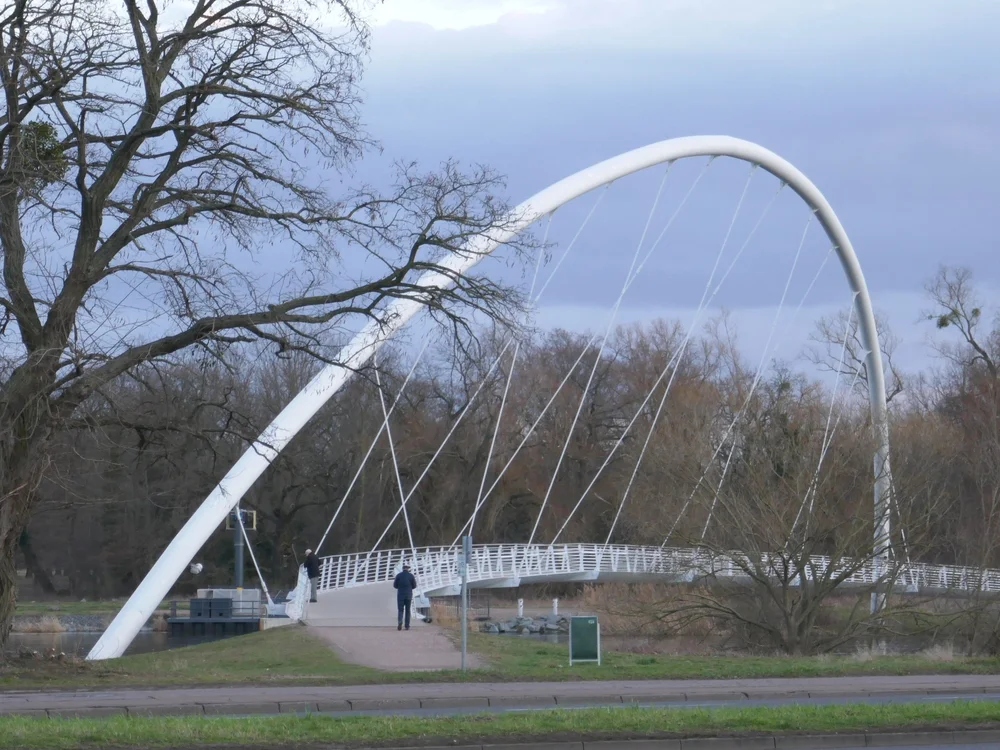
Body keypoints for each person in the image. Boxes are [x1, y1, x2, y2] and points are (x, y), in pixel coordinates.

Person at [393, 563, 417, 631]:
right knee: (407, 610)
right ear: (408, 569)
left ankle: (400, 621)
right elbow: (414, 586)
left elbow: (395, 585)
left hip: (400, 595)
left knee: (400, 610)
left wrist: (400, 587)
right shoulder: (411, 576)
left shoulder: (398, 575)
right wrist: (409, 588)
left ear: (402, 568)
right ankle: (407, 626)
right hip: (408, 595)